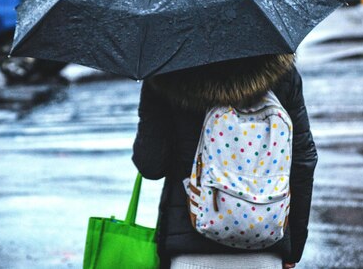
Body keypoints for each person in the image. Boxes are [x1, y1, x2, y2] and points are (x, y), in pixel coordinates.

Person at [133, 53, 317, 269]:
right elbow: (302, 162)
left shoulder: (165, 71)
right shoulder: (280, 72)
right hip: (265, 246)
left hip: (190, 251)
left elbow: (151, 165)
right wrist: (293, 248)